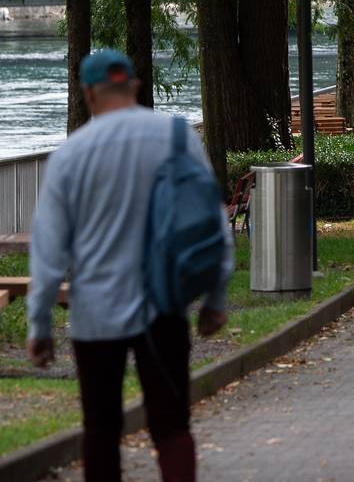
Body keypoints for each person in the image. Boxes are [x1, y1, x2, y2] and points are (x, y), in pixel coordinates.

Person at [27, 49, 233, 482]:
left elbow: (49, 253)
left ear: (87, 93)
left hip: (95, 316)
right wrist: (215, 299)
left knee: (101, 431)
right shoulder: (179, 137)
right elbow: (214, 222)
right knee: (172, 426)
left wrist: (39, 325)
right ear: (136, 86)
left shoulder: (71, 155)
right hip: (164, 308)